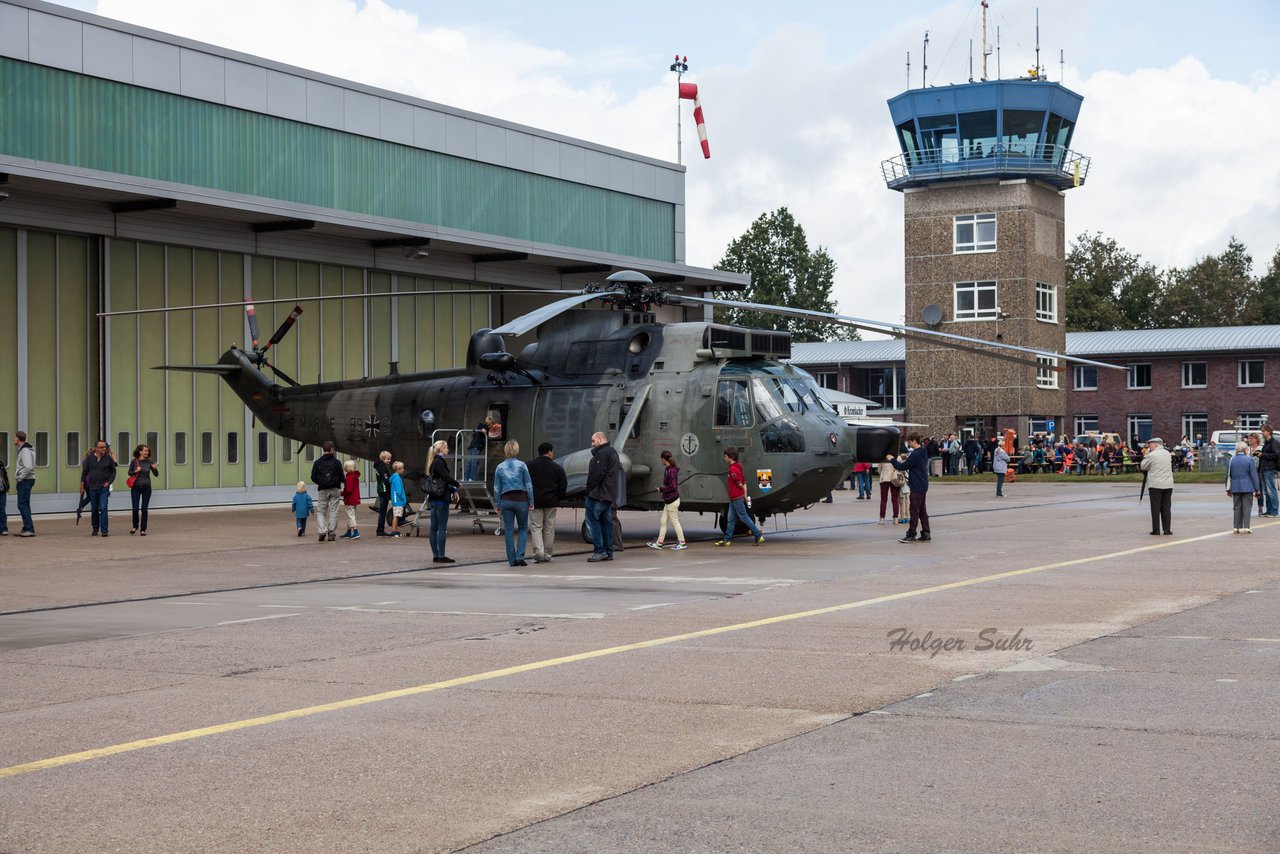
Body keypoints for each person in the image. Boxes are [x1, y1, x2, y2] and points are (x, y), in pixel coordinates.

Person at [494, 440, 534, 567]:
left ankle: (511, 559)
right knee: (523, 528)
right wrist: (531, 501)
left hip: (506, 500)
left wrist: (497, 504)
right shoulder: (522, 465)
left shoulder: (499, 467)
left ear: (506, 450)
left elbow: (496, 488)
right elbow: (529, 485)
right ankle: (520, 556)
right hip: (521, 500)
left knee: (509, 530)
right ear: (516, 450)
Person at [715, 447, 764, 547]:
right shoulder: (738, 466)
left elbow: (740, 483)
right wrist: (744, 495)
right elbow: (744, 482)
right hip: (734, 498)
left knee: (744, 517)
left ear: (730, 457)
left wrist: (742, 492)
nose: (724, 458)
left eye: (725, 456)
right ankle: (727, 539)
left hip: (736, 498)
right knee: (730, 519)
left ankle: (758, 534)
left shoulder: (733, 469)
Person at [528, 442, 567, 563]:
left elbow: (525, 483)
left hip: (535, 502)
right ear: (550, 452)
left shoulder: (529, 465)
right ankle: (547, 554)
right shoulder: (557, 468)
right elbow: (563, 486)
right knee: (549, 528)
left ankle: (538, 552)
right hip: (551, 502)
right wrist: (558, 498)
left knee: (536, 527)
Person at [585, 431, 620, 562]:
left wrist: (588, 489)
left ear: (600, 439)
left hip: (598, 495)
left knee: (593, 523)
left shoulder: (602, 453)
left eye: (594, 441)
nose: (592, 444)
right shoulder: (612, 453)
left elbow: (597, 474)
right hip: (608, 495)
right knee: (606, 523)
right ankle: (608, 551)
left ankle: (599, 551)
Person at [888, 432, 930, 542]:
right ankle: (926, 532)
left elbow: (902, 466)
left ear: (914, 441)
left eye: (909, 442)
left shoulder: (915, 454)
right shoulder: (923, 451)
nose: (908, 444)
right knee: (922, 511)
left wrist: (892, 459)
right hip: (923, 484)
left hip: (917, 485)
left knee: (914, 510)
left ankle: (911, 534)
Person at [425, 439, 460, 563]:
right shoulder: (440, 462)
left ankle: (435, 554)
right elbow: (446, 478)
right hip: (441, 499)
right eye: (446, 448)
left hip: (433, 498)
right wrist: (456, 485)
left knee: (433, 528)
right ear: (441, 449)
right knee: (442, 528)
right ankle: (441, 555)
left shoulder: (432, 462)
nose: (448, 450)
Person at [648, 449, 687, 549]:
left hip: (672, 500)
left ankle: (682, 542)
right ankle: (659, 543)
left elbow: (673, 487)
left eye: (661, 459)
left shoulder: (671, 471)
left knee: (674, 521)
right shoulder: (669, 469)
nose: (660, 461)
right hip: (669, 500)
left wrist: (661, 489)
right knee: (663, 521)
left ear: (663, 459)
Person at [82, 438, 118, 537]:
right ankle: (95, 528)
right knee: (94, 508)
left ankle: (104, 530)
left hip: (104, 487)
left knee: (103, 507)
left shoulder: (108, 458)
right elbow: (84, 472)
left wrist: (109, 482)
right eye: (102, 447)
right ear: (96, 448)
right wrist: (82, 485)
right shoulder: (89, 458)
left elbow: (114, 471)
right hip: (92, 487)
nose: (104, 449)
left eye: (105, 447)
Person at [310, 440, 344, 542]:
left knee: (321, 512)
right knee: (333, 511)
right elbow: (342, 477)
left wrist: (320, 482)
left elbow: (313, 477)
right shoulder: (337, 462)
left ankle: (322, 531)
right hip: (335, 489)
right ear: (332, 449)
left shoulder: (318, 462)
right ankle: (331, 533)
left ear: (323, 449)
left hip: (323, 490)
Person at [1140, 437, 1174, 536]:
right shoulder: (1167, 454)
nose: (1149, 447)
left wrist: (1146, 455)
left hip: (1156, 485)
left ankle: (1156, 530)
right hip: (1168, 484)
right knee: (1166, 508)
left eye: (1150, 445)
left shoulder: (1151, 455)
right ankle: (1167, 529)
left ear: (1155, 444)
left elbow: (1143, 466)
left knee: (1155, 508)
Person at [1227, 441, 1262, 534]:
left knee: (1237, 507)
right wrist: (1257, 489)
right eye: (1247, 449)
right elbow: (1254, 476)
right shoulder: (1249, 460)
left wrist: (1228, 489)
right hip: (1247, 486)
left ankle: (1236, 527)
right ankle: (1246, 527)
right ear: (1244, 450)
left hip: (1235, 486)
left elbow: (1227, 476)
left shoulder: (1231, 460)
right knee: (1247, 507)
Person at [127, 443, 160, 535]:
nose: (147, 452)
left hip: (146, 487)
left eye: (147, 450)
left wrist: (154, 469)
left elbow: (156, 475)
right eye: (145, 450)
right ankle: (135, 526)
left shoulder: (149, 462)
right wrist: (135, 471)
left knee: (144, 509)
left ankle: (143, 529)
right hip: (136, 487)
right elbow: (129, 473)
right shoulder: (134, 461)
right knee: (135, 508)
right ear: (140, 451)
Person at [13, 431, 36, 537]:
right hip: (28, 480)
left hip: (25, 480)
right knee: (25, 504)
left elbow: (28, 467)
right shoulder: (26, 449)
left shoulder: (25, 451)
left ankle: (29, 529)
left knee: (22, 505)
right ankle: (27, 527)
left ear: (18, 439)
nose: (13, 439)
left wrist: (20, 478)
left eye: (14, 437)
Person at [1258, 424, 1279, 517]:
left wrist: (1262, 455)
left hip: (1269, 469)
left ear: (1269, 432)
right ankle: (1269, 510)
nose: (1262, 433)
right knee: (1266, 492)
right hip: (1264, 468)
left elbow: (1276, 455)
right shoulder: (1267, 442)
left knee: (1271, 491)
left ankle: (1274, 511)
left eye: (1263, 431)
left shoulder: (1274, 442)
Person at [339, 459, 362, 540]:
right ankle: (349, 531)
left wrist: (341, 493)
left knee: (350, 515)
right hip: (355, 499)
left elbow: (348, 490)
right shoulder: (355, 476)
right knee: (351, 515)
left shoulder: (348, 478)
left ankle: (355, 531)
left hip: (350, 499)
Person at [877, 455, 903, 524]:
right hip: (895, 479)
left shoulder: (883, 457)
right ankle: (896, 518)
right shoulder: (898, 457)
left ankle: (882, 518)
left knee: (883, 500)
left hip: (884, 479)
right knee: (895, 500)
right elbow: (900, 467)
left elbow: (879, 469)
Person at [373, 450, 392, 537]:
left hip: (381, 489)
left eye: (389, 459)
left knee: (383, 511)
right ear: (383, 459)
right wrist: (391, 485)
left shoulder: (378, 466)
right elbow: (385, 480)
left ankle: (380, 529)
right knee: (383, 511)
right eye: (387, 459)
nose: (389, 461)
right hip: (384, 491)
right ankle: (380, 530)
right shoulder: (383, 467)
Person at [388, 461, 407, 538]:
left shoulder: (394, 477)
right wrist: (403, 498)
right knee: (396, 516)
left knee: (396, 515)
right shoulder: (397, 478)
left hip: (396, 500)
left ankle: (395, 530)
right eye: (402, 468)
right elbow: (399, 490)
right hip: (398, 500)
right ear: (398, 469)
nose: (403, 470)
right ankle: (394, 531)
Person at [0, 454, 8, 535]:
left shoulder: (0, 464)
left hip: (2, 490)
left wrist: (7, 486)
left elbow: (5, 476)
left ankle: (4, 528)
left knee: (2, 510)